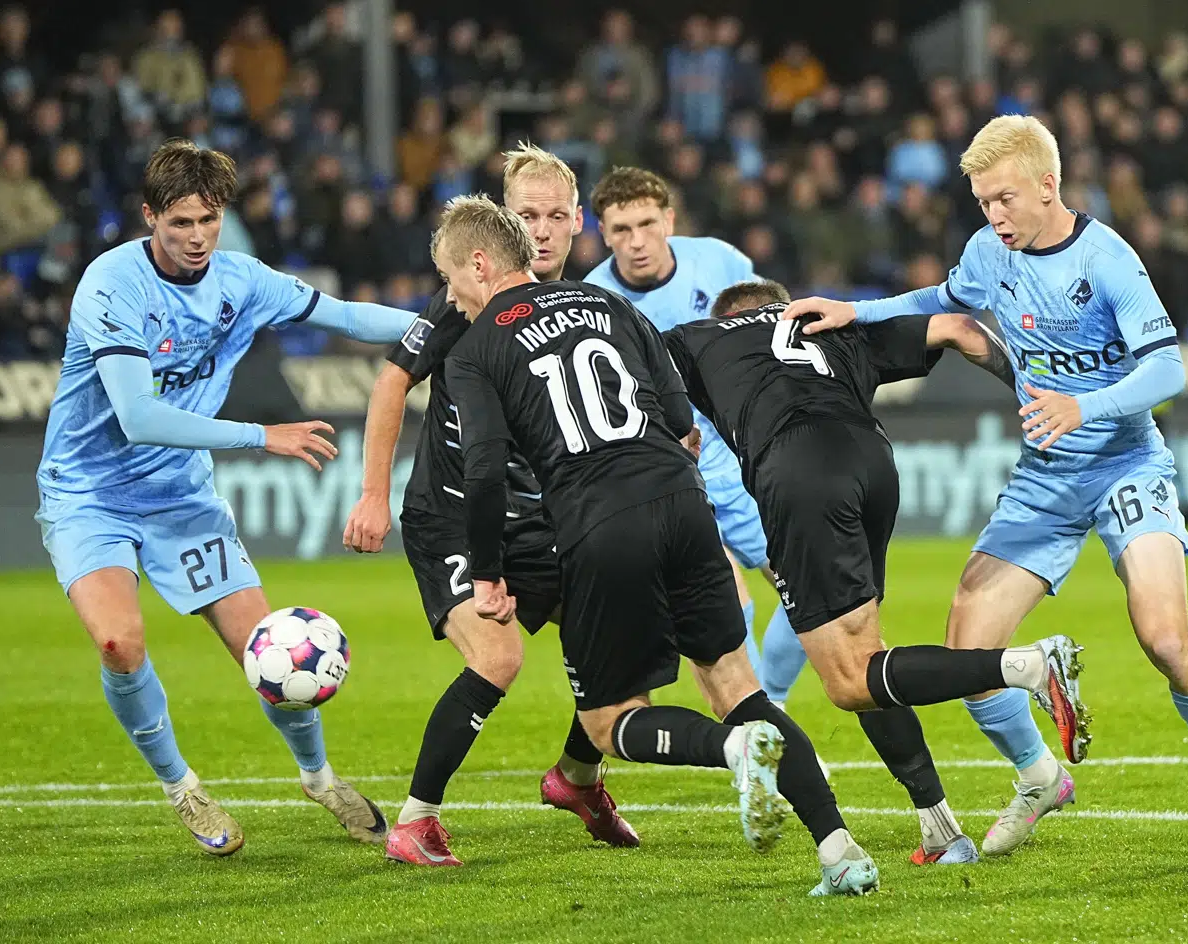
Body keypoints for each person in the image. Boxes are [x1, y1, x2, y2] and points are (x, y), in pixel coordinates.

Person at [784, 115, 1188, 864]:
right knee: (970, 651)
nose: (994, 215)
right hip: (1045, 478)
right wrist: (857, 311)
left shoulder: (1108, 260)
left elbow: (1168, 369)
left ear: (1048, 185)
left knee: (1165, 639)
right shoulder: (989, 252)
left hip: (1126, 465)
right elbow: (943, 297)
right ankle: (1040, 778)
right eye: (983, 202)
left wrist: (1084, 407)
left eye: (1005, 199)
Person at [437, 194, 878, 897]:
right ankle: (840, 850)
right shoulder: (607, 303)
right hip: (683, 501)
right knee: (738, 686)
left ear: (481, 264)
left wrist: (487, 571)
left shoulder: (475, 349)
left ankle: (733, 748)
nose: (451, 296)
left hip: (598, 524)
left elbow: (484, 469)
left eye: (451, 277)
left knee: (608, 722)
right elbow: (678, 413)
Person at [35, 139, 418, 856]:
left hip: (180, 496)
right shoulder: (111, 285)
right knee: (119, 642)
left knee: (270, 651)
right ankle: (183, 787)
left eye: (208, 220)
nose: (197, 237)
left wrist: (451, 324)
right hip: (89, 493)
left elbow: (346, 316)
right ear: (149, 216)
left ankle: (320, 778)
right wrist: (261, 435)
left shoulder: (241, 279)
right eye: (180, 222)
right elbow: (138, 417)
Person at [663, 278, 1089, 865]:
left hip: (798, 473)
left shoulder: (697, 337)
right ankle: (940, 831)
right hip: (872, 462)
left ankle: (1027, 666)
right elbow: (960, 329)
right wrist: (1035, 394)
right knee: (868, 658)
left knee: (847, 681)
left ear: (725, 317)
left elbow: (632, 388)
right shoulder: (832, 324)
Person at [342, 144, 639, 866]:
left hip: (543, 522)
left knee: (627, 639)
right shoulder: (463, 300)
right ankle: (416, 821)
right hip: (452, 516)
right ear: (504, 222)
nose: (541, 229)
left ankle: (578, 780)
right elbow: (392, 382)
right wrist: (374, 494)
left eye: (555, 215)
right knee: (500, 657)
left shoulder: (580, 307)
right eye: (526, 215)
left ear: (578, 222)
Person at [581, 166, 806, 709]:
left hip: (736, 460)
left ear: (669, 220)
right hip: (664, 473)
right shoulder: (593, 299)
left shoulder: (719, 261)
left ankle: (771, 699)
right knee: (726, 599)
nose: (636, 242)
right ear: (603, 233)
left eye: (646, 224)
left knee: (809, 580)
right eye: (621, 230)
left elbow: (770, 335)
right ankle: (762, 723)